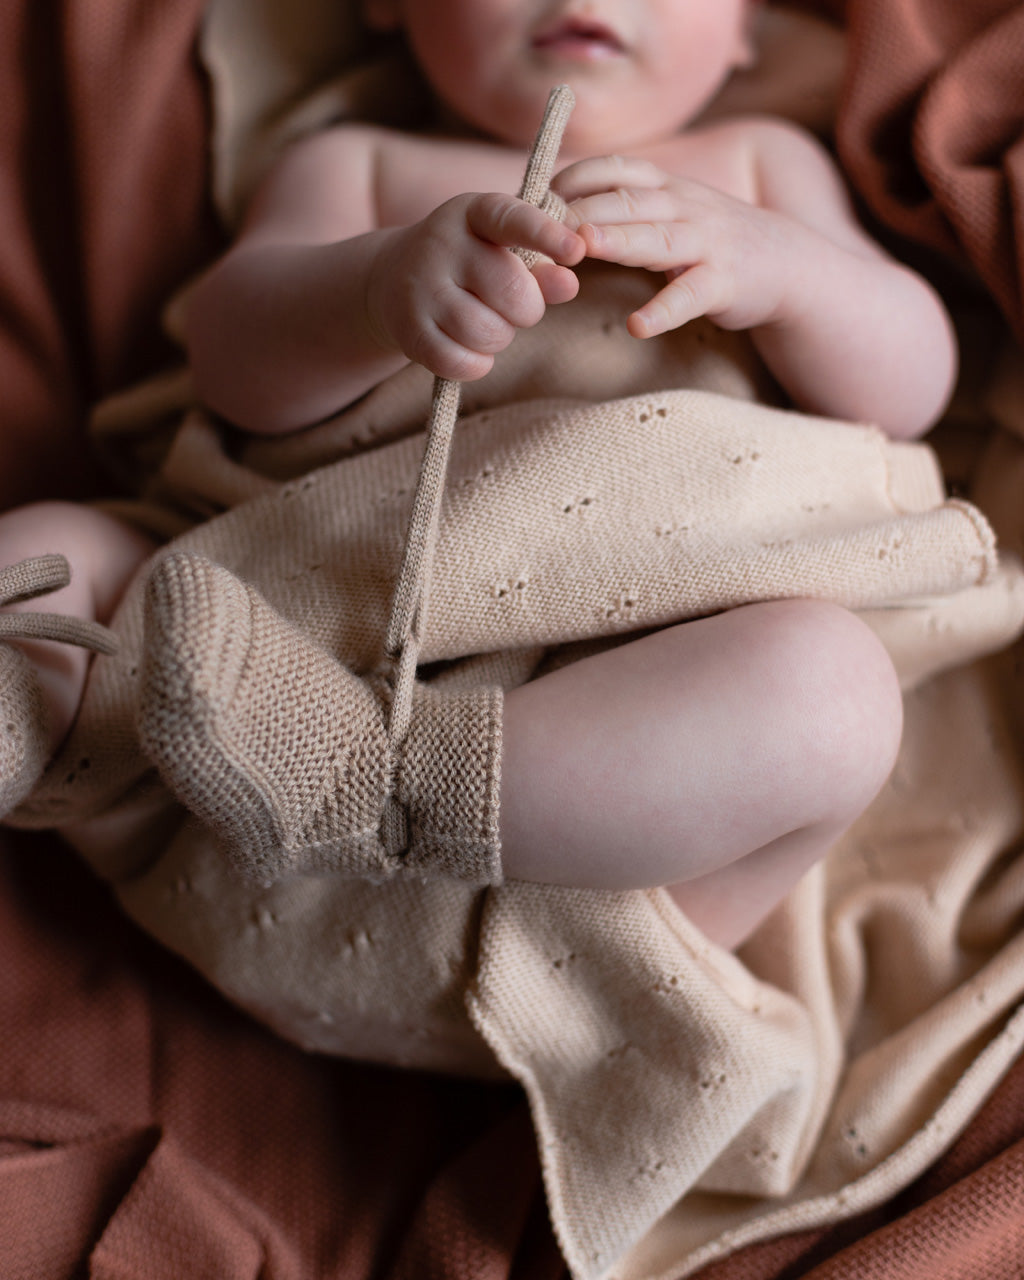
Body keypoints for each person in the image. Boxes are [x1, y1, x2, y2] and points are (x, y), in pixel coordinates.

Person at [0, 0, 958, 949]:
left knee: (831, 700)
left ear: (750, 24)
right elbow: (232, 368)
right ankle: (28, 737)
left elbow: (914, 387)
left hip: (595, 837)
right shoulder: (359, 166)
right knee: (55, 551)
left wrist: (786, 272)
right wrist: (373, 293)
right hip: (266, 679)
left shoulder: (761, 165)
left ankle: (387, 784)